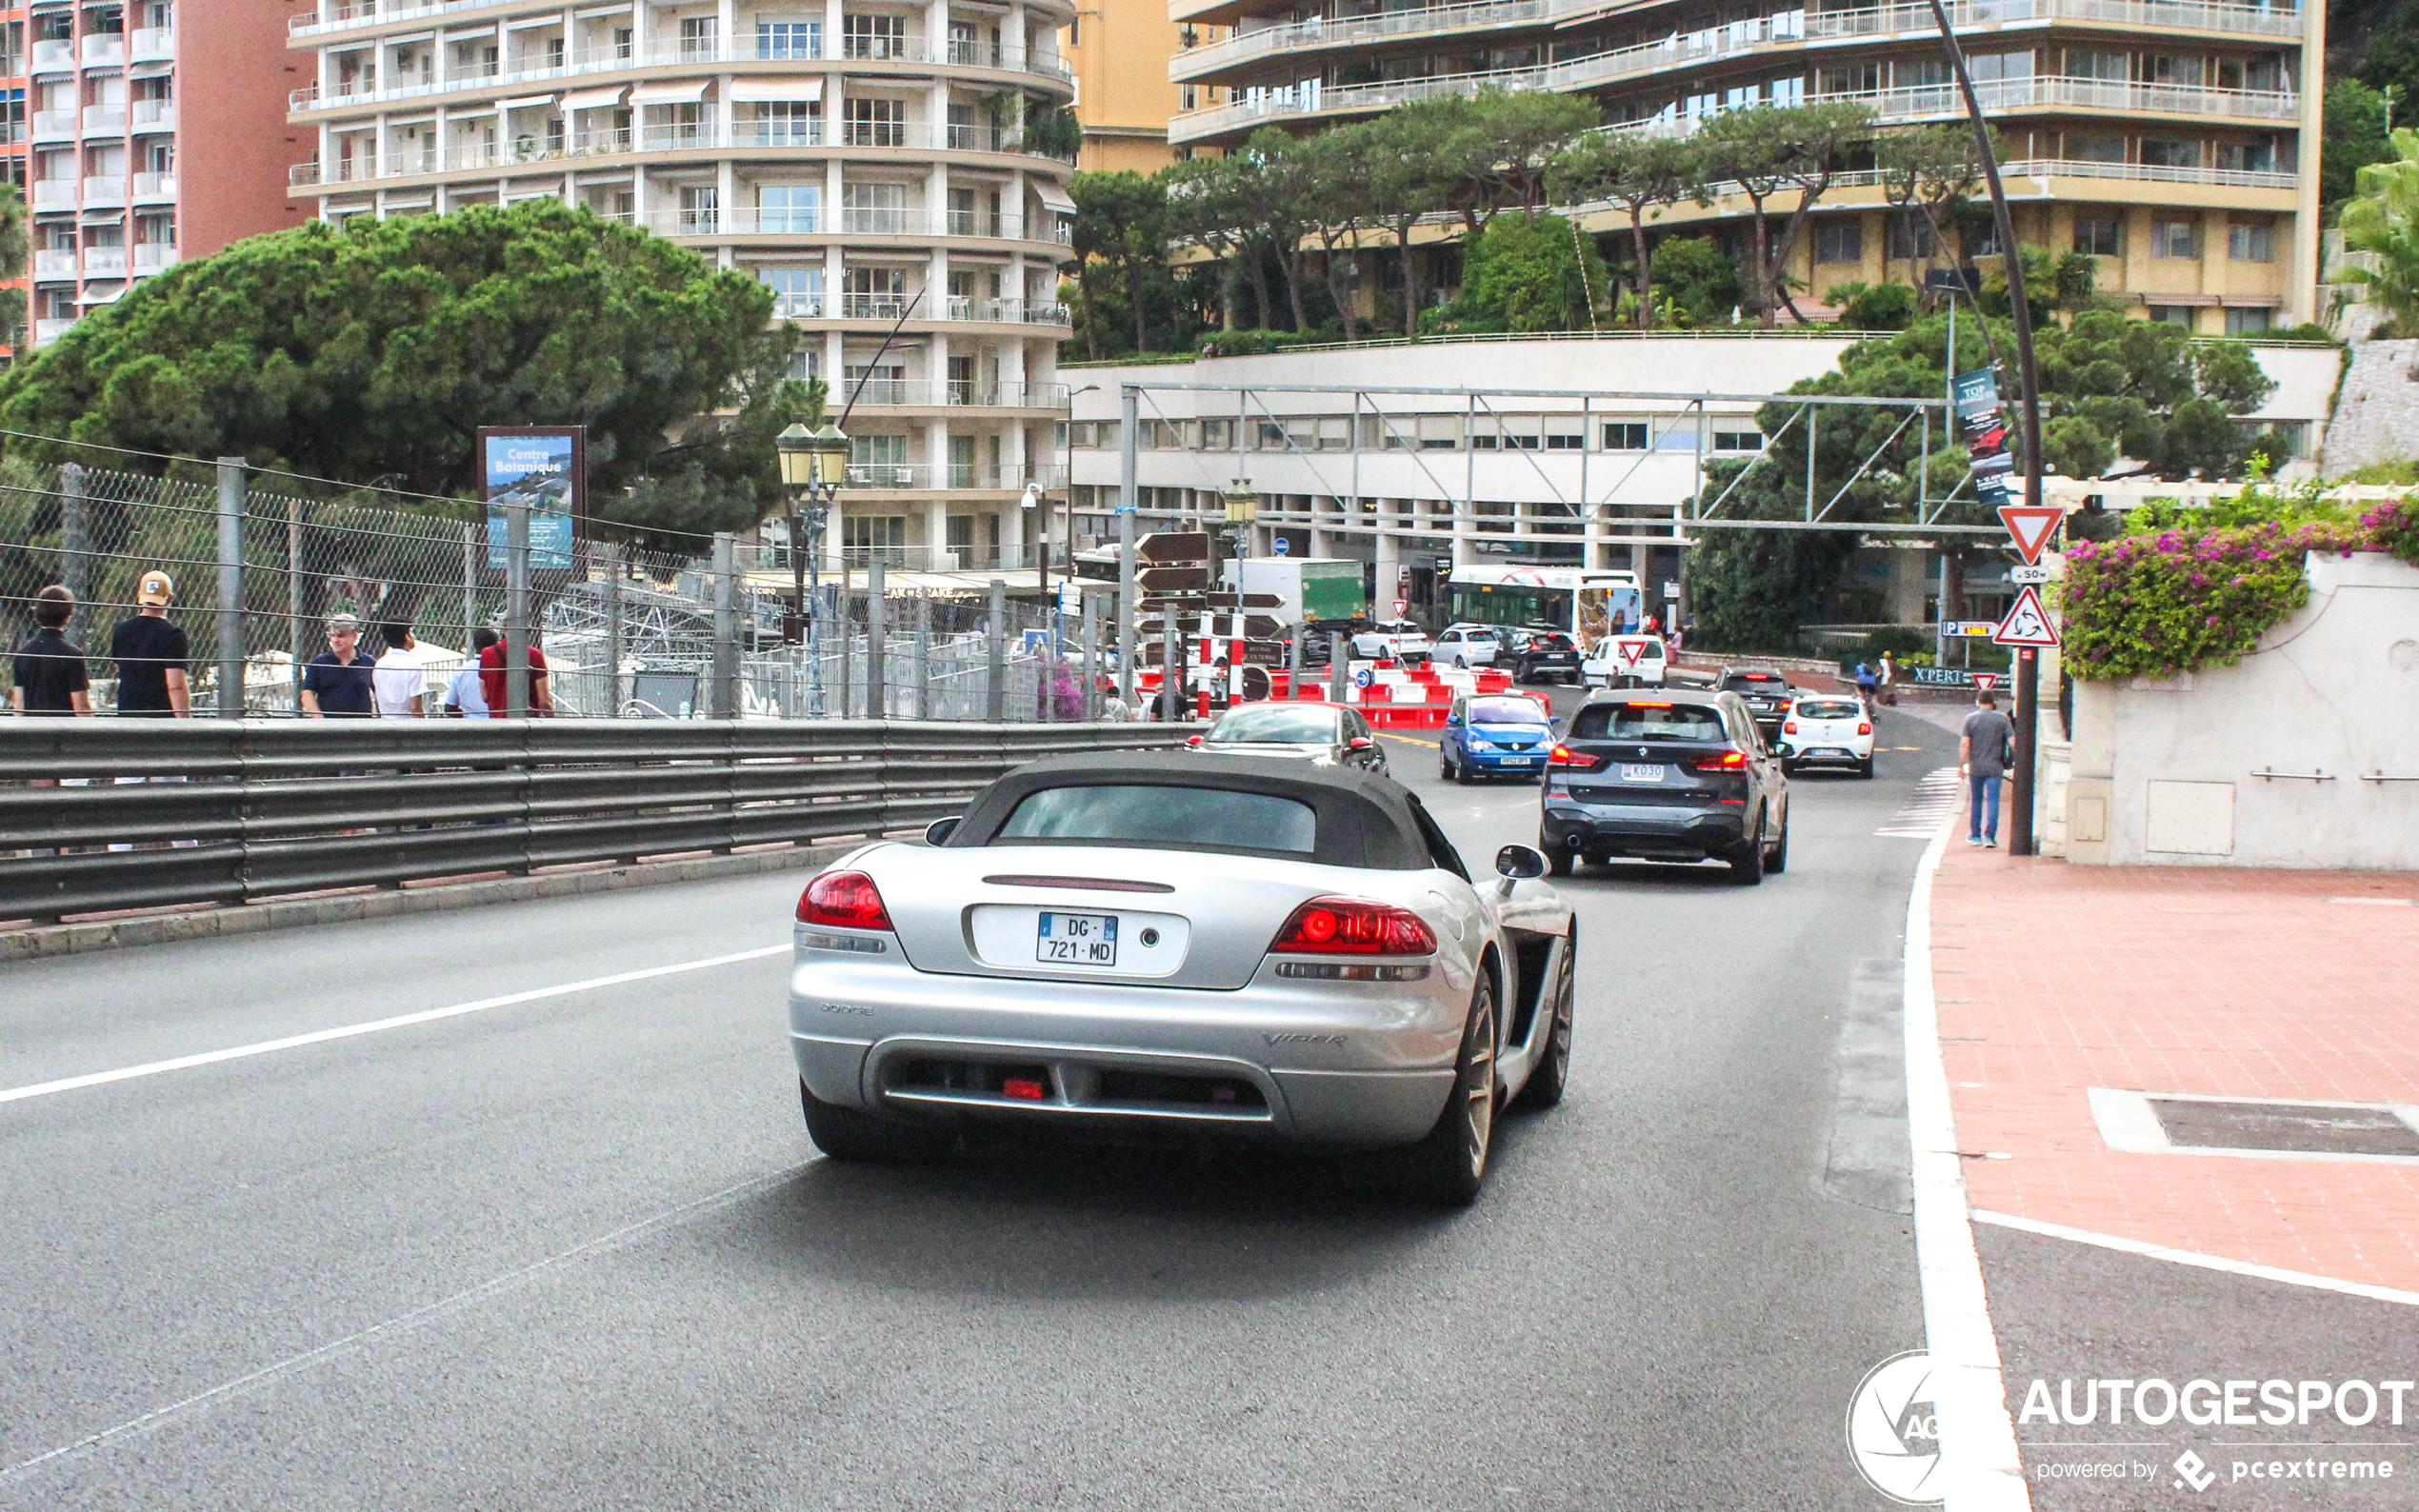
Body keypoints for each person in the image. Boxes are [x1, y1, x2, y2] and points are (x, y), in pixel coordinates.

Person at [110, 569, 190, 717]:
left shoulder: (122, 630)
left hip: (128, 714)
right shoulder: (173, 635)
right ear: (170, 598)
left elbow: (120, 668)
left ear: (139, 596)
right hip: (161, 718)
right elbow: (176, 686)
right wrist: (185, 723)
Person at [11, 585, 92, 716]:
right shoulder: (72, 655)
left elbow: (19, 706)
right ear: (67, 616)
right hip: (63, 731)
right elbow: (81, 707)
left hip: (32, 730)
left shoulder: (22, 654)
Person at [1959, 688, 2016, 848]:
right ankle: (1990, 837)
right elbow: (2013, 742)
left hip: (1976, 767)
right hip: (1995, 766)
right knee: (1993, 800)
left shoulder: (1970, 719)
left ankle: (1975, 835)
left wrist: (1961, 765)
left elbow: (1965, 744)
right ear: (1993, 702)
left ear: (1979, 701)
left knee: (1976, 800)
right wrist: (2013, 760)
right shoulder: (2002, 719)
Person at [300, 614, 376, 717]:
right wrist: (320, 720)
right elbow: (307, 694)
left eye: (341, 636)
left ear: (354, 637)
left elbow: (380, 692)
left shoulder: (368, 662)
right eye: (332, 635)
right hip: (330, 728)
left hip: (361, 727)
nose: (335, 640)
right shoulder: (319, 662)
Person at [479, 629, 553, 716]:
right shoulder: (534, 655)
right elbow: (544, 702)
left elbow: (485, 696)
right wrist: (552, 720)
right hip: (528, 721)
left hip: (498, 721)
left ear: (503, 630)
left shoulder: (487, 654)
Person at [371, 619, 430, 718]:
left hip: (385, 723)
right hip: (408, 726)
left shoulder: (380, 664)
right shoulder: (413, 666)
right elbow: (415, 707)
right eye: (411, 632)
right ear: (407, 637)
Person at [445, 628, 499, 717]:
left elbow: (449, 707)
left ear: (474, 644)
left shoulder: (461, 671)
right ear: (496, 645)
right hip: (498, 722)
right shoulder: (501, 669)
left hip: (470, 724)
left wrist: (467, 716)